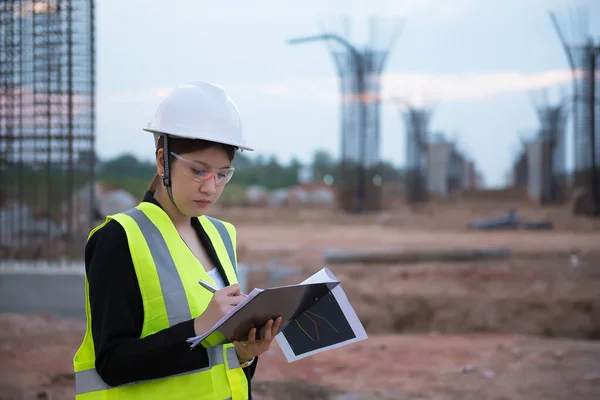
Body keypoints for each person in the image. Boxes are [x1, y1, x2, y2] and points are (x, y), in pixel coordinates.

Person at [73, 81, 282, 400]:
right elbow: (112, 364)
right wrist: (199, 328)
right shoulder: (119, 239)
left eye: (222, 174)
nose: (210, 188)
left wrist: (245, 354)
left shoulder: (222, 235)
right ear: (162, 161)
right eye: (198, 171)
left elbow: (218, 364)